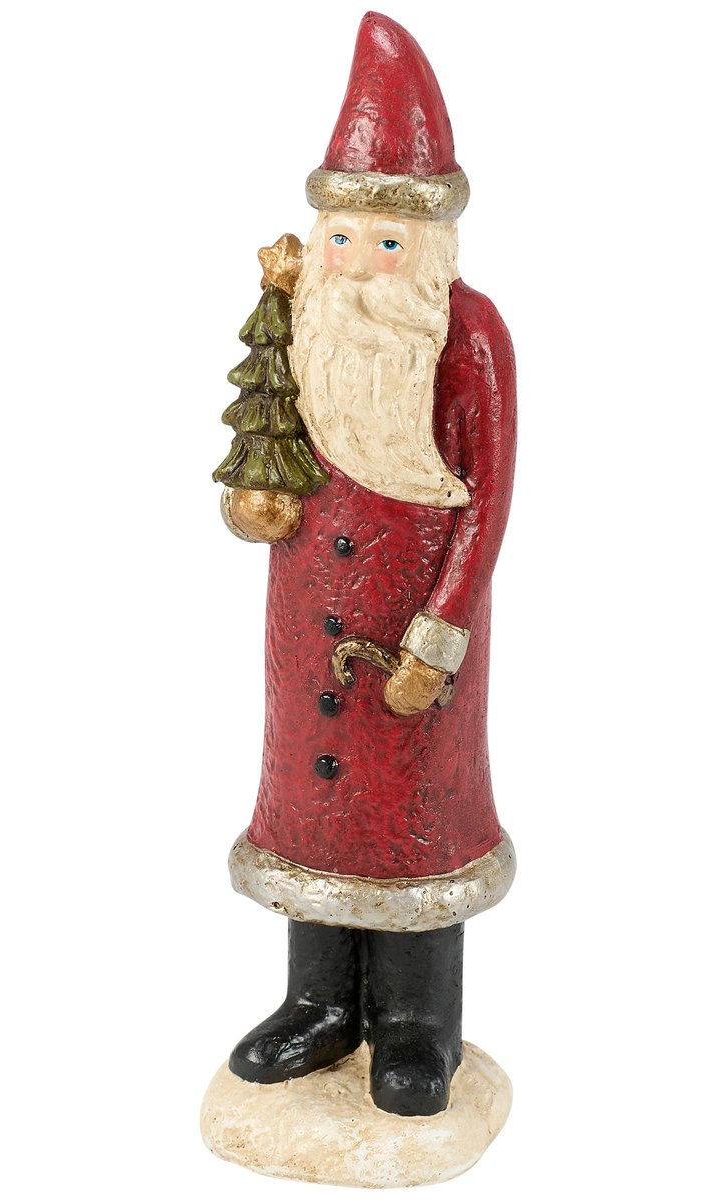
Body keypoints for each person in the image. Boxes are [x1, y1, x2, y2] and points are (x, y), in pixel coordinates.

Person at [217, 11, 517, 1118]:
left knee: (413, 813)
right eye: (341, 238)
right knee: (314, 812)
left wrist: (441, 633)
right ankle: (319, 1003)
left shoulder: (466, 335)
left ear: (426, 248)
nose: (354, 263)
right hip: (307, 625)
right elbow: (270, 441)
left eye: (384, 244)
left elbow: (487, 500)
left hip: (413, 635)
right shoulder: (305, 317)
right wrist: (253, 504)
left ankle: (415, 1021)